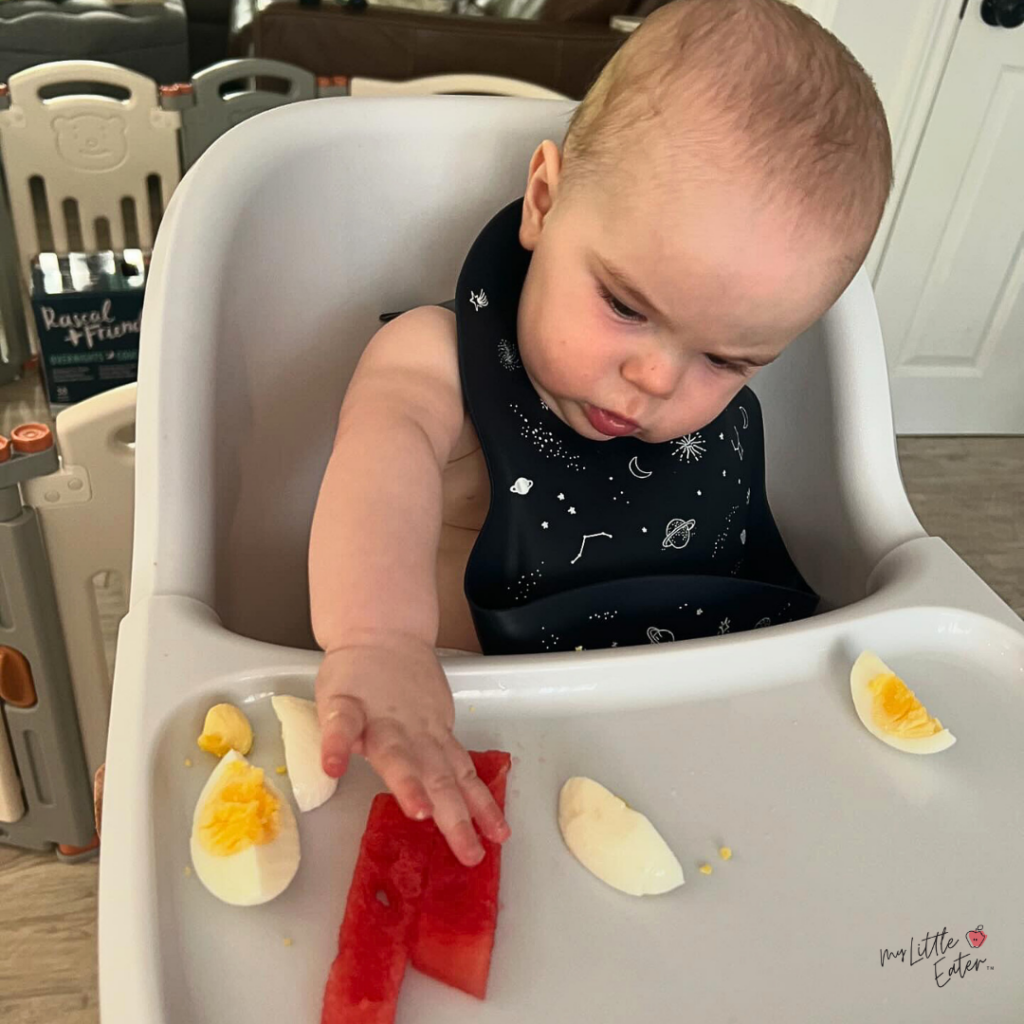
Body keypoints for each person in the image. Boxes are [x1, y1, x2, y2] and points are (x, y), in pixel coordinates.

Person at [308, 0, 892, 866]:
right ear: (544, 201)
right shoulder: (437, 362)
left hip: (688, 742)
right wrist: (378, 642)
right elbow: (377, 464)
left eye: (728, 362)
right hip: (470, 740)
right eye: (624, 306)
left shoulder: (692, 390)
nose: (658, 380)